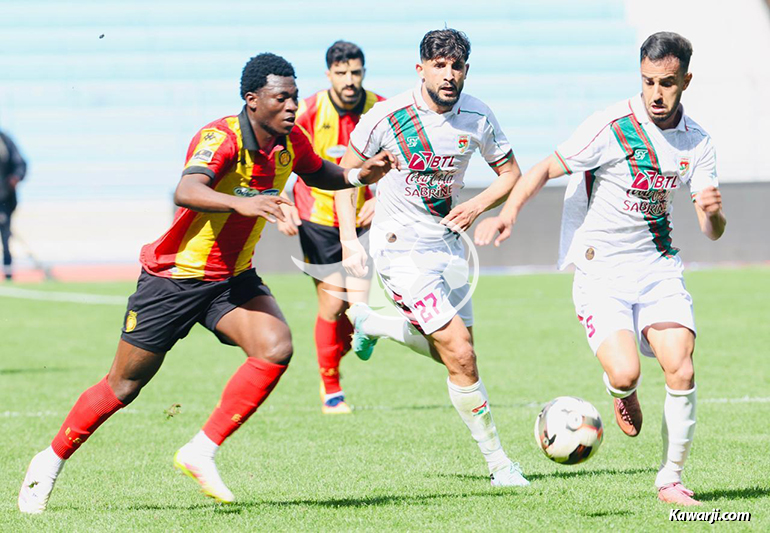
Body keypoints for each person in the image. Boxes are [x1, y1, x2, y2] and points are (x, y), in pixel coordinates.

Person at [18, 52, 397, 514]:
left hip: (231, 280)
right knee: (124, 386)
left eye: (295, 97)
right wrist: (242, 202)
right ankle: (49, 461)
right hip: (174, 279)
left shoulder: (290, 140)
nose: (292, 106)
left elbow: (321, 171)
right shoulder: (221, 137)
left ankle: (201, 450)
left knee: (275, 346)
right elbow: (187, 190)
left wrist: (359, 174)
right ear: (252, 100)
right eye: (281, 98)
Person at [475, 32, 726, 506]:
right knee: (626, 373)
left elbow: (711, 230)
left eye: (667, 83)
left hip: (657, 267)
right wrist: (508, 213)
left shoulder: (698, 142)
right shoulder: (611, 126)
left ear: (686, 81)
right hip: (601, 270)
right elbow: (544, 168)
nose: (656, 93)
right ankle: (621, 390)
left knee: (681, 366)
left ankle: (671, 479)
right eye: (648, 81)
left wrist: (713, 212)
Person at [334, 29, 529, 487]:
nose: (448, 74)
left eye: (456, 66)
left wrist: (477, 206)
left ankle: (373, 323)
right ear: (420, 69)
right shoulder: (386, 117)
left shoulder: (477, 116)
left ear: (466, 71)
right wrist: (348, 241)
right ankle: (500, 464)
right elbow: (346, 176)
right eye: (439, 66)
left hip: (449, 245)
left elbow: (511, 174)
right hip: (399, 247)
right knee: (460, 353)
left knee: (458, 355)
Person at [276, 41, 385, 414]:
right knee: (334, 302)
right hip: (318, 219)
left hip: (363, 220)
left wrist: (379, 199)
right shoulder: (309, 111)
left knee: (360, 310)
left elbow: (402, 160)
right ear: (329, 75)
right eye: (341, 73)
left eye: (355, 72)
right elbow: (277, 153)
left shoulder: (381, 109)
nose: (349, 80)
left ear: (364, 72)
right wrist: (281, 201)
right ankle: (332, 390)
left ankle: (336, 351)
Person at [0, 128, 27, 281]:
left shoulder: (5, 141)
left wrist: (16, 177)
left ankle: (8, 272)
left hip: (4, 199)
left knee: (5, 237)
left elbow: (20, 164)